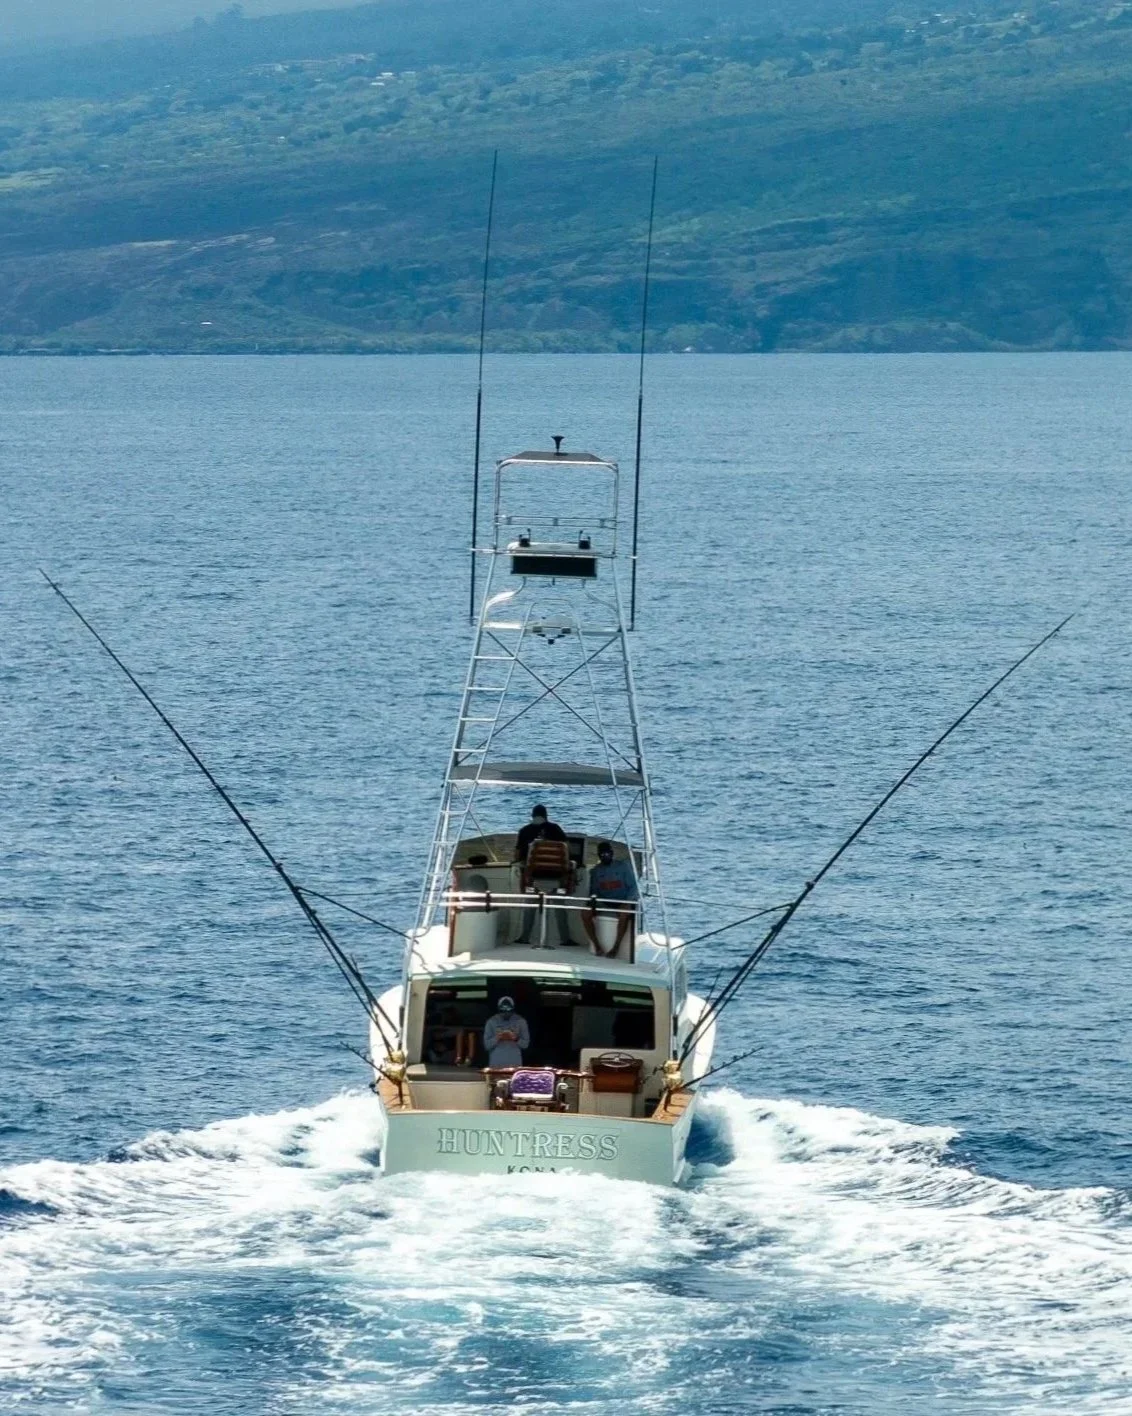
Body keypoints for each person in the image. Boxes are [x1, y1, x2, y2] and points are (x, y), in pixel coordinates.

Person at [513, 804, 572, 945]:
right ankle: (565, 939)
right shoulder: (556, 829)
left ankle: (525, 937)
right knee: (559, 906)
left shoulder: (524, 831)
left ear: (532, 816)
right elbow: (567, 851)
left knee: (529, 906)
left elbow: (517, 856)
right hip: (556, 879)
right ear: (546, 816)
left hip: (533, 880)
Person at [583, 841, 639, 956]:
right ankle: (597, 946)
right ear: (599, 856)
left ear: (612, 854)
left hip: (622, 900)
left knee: (624, 914)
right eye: (602, 855)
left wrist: (628, 902)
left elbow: (634, 886)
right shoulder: (595, 871)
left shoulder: (623, 866)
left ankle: (616, 948)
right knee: (585, 913)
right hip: (604, 902)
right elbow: (593, 892)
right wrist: (591, 901)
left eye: (607, 854)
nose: (605, 857)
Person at [483, 995, 530, 1069]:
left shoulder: (521, 1022)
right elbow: (486, 1045)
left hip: (514, 1063)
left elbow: (525, 1045)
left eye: (509, 1011)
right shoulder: (491, 1022)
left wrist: (516, 1038)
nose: (506, 1014)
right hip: (496, 1063)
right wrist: (497, 1038)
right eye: (503, 1011)